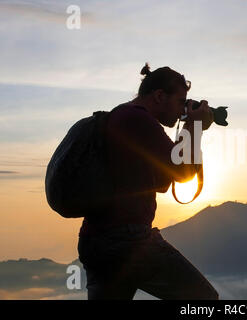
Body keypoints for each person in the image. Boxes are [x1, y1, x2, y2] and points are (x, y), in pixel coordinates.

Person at [77, 63, 219, 300]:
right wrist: (194, 126)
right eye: (179, 102)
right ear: (159, 96)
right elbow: (182, 173)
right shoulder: (138, 119)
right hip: (128, 241)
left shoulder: (121, 116)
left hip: (96, 242)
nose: (181, 110)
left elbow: (161, 180)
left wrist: (188, 129)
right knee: (203, 299)